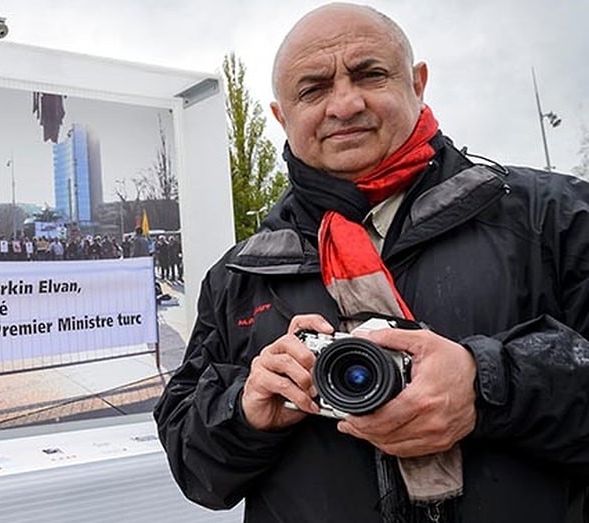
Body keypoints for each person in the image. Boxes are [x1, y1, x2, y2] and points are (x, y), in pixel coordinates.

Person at [154, 4, 589, 523]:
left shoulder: (554, 218)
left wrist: (487, 386)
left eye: (370, 74)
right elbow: (193, 466)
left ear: (418, 82)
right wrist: (246, 411)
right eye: (313, 89)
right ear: (281, 116)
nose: (345, 103)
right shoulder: (240, 276)